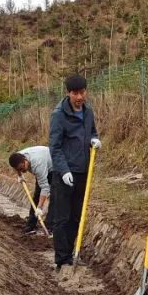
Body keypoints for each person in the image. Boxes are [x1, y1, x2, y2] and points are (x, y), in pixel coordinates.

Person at [48, 74, 100, 268]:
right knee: (62, 217)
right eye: (75, 93)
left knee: (77, 215)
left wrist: (94, 139)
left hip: (83, 171)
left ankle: (71, 251)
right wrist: (63, 171)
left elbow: (92, 131)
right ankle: (62, 258)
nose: (79, 97)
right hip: (65, 174)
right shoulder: (58, 115)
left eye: (82, 92)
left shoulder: (88, 112)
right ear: (68, 93)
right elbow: (55, 146)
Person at [9, 146, 52, 235]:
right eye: (19, 169)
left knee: (54, 197)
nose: (23, 170)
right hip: (42, 162)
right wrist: (19, 175)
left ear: (26, 160)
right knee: (36, 196)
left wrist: (39, 208)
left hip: (53, 168)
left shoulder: (37, 165)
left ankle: (49, 227)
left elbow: (45, 188)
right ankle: (30, 225)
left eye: (22, 168)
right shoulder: (18, 157)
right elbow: (15, 167)